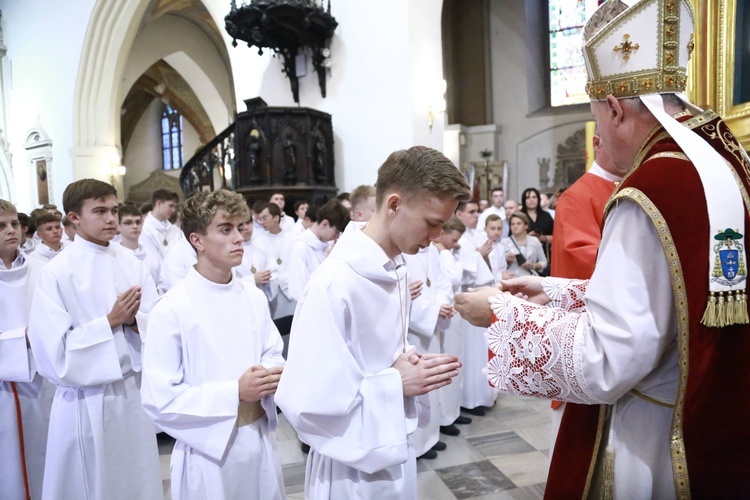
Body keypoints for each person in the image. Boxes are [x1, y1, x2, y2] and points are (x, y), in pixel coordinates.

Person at [455, 0, 750, 496]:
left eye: (594, 113)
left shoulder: (649, 190)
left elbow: (609, 358)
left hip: (657, 435)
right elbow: (669, 299)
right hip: (721, 414)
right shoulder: (724, 161)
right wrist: (555, 292)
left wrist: (503, 315)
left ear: (613, 108)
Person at [275, 146, 467, 498]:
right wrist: (395, 382)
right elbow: (307, 402)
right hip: (349, 470)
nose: (437, 236)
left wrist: (408, 358)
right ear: (394, 205)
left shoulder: (393, 266)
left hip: (393, 445)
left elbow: (377, 353)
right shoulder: (334, 283)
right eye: (432, 223)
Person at [141, 190, 286, 499]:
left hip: (259, 439)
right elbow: (159, 399)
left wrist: (272, 372)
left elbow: (273, 352)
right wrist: (235, 391)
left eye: (241, 227)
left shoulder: (253, 297)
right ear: (197, 240)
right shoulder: (172, 309)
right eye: (225, 229)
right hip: (208, 453)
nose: (239, 238)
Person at [27, 179, 162, 500]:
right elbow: (52, 355)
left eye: (114, 210)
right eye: (100, 211)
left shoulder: (131, 263)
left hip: (131, 394)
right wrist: (109, 322)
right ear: (73, 218)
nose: (111, 219)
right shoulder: (56, 273)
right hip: (84, 400)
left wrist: (134, 322)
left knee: (136, 481)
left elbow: (157, 324)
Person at [0, 199, 54, 500]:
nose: (12, 230)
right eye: (1, 226)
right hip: (3, 391)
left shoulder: (42, 269)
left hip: (44, 382)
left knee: (46, 460)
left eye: (15, 224)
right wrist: (24, 339)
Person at [454, 199, 496, 416]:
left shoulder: (476, 236)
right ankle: (470, 399)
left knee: (483, 351)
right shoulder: (457, 237)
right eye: (471, 212)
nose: (476, 215)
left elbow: (489, 268)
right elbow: (459, 269)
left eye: (477, 212)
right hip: (468, 297)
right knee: (470, 354)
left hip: (482, 292)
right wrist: (478, 255)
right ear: (458, 214)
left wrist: (484, 256)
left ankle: (484, 395)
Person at [432, 217, 471, 436]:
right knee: (446, 365)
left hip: (453, 313)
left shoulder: (445, 251)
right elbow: (454, 277)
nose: (456, 245)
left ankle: (453, 411)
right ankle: (445, 417)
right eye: (454, 240)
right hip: (443, 315)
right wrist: (445, 251)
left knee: (456, 362)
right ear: (443, 233)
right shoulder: (438, 253)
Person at [287, 198, 350, 303]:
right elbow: (298, 291)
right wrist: (328, 261)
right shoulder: (301, 248)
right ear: (325, 224)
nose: (336, 236)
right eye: (336, 231)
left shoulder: (326, 245)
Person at [115, 204, 160, 284]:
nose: (135, 226)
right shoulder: (114, 257)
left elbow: (162, 283)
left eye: (138, 222)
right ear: (118, 226)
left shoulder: (152, 257)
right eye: (128, 223)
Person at [141, 189, 183, 262]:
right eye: (171, 206)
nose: (173, 210)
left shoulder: (175, 229)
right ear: (159, 203)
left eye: (174, 207)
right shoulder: (145, 229)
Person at [500, 212, 546, 278]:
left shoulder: (534, 241)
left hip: (529, 278)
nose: (515, 226)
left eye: (518, 224)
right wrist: (506, 260)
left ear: (526, 226)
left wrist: (533, 265)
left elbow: (544, 262)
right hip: (510, 278)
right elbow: (497, 266)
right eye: (512, 224)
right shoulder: (504, 242)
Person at [520, 187, 554, 273]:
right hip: (525, 255)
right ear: (524, 200)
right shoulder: (519, 216)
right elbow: (512, 237)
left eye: (534, 197)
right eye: (528, 198)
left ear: (538, 199)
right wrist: (528, 236)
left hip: (545, 254)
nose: (531, 200)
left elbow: (556, 236)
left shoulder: (546, 216)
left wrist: (543, 238)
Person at [484, 213, 507, 282]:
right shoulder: (482, 245)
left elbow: (503, 268)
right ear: (485, 229)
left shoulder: (501, 247)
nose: (496, 232)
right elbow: (484, 272)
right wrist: (500, 276)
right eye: (492, 229)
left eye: (499, 228)